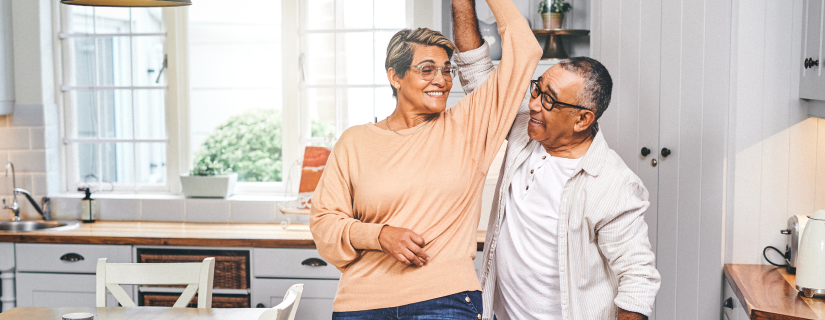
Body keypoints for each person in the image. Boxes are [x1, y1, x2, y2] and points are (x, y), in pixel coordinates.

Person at [308, 0, 543, 318]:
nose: (442, 81)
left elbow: (525, 49)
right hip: (361, 303)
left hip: (444, 299)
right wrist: (379, 235)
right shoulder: (355, 142)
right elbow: (324, 224)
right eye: (427, 70)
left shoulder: (470, 126)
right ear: (395, 76)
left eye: (447, 70)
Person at [452, 6, 661, 320]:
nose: (534, 104)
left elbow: (638, 278)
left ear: (582, 120)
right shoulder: (525, 128)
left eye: (548, 99)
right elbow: (476, 71)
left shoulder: (614, 183)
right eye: (537, 88)